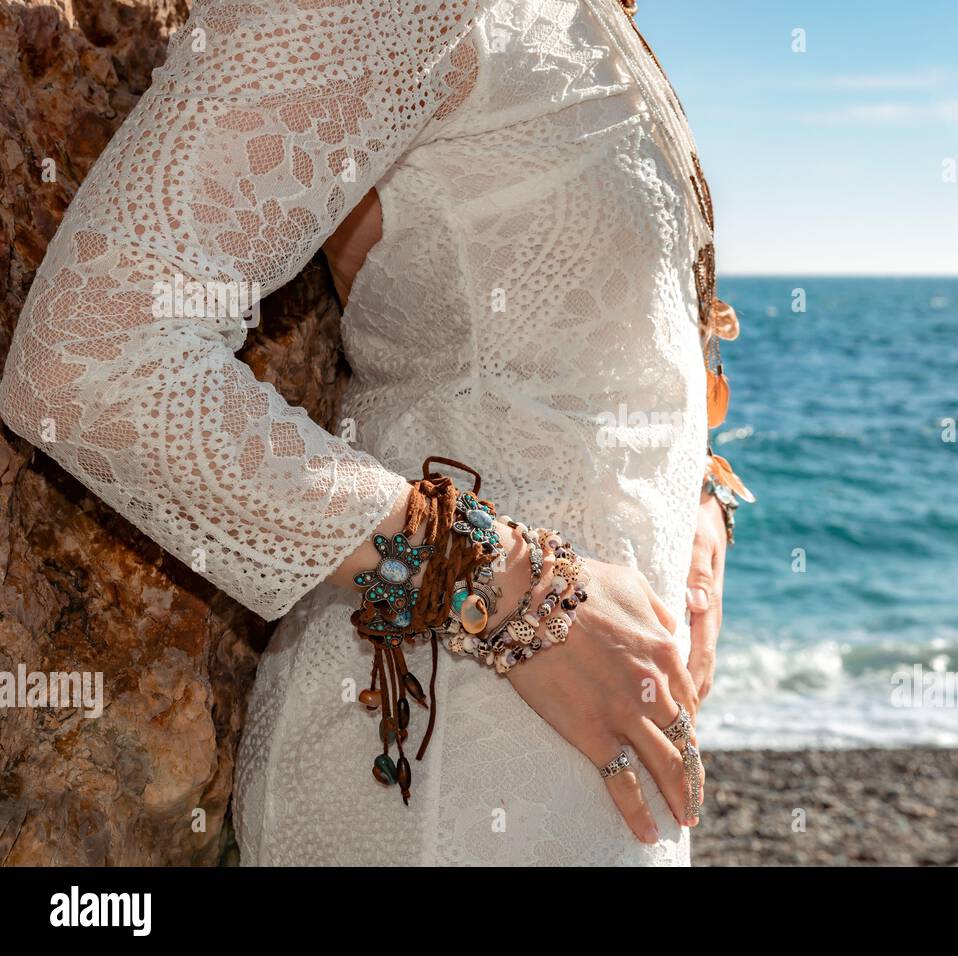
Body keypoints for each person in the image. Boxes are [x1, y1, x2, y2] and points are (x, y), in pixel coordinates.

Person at [0, 0, 737, 865]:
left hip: (592, 767)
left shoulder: (600, 21)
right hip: (434, 767)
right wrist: (513, 590)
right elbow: (90, 351)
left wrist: (701, 502)